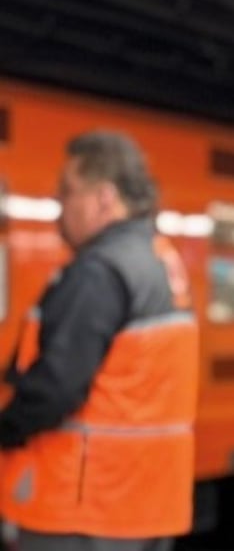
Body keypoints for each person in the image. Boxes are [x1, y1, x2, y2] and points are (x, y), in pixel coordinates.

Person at [0, 131, 198, 551]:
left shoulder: (98, 271)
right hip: (142, 503)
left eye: (68, 191)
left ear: (104, 199)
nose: (59, 206)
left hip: (85, 506)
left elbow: (57, 387)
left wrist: (5, 427)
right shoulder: (159, 259)